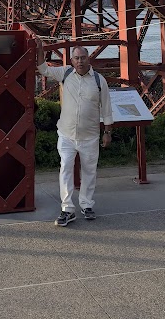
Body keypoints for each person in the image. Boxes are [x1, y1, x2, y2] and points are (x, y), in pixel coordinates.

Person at [36, 40, 113, 227]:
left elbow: (107, 109)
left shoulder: (99, 80)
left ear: (89, 59)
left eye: (83, 57)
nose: (80, 61)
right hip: (66, 134)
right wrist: (39, 49)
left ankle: (87, 204)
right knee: (65, 170)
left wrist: (107, 132)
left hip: (91, 136)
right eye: (77, 58)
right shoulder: (65, 73)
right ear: (72, 60)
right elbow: (43, 69)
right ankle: (67, 209)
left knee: (89, 171)